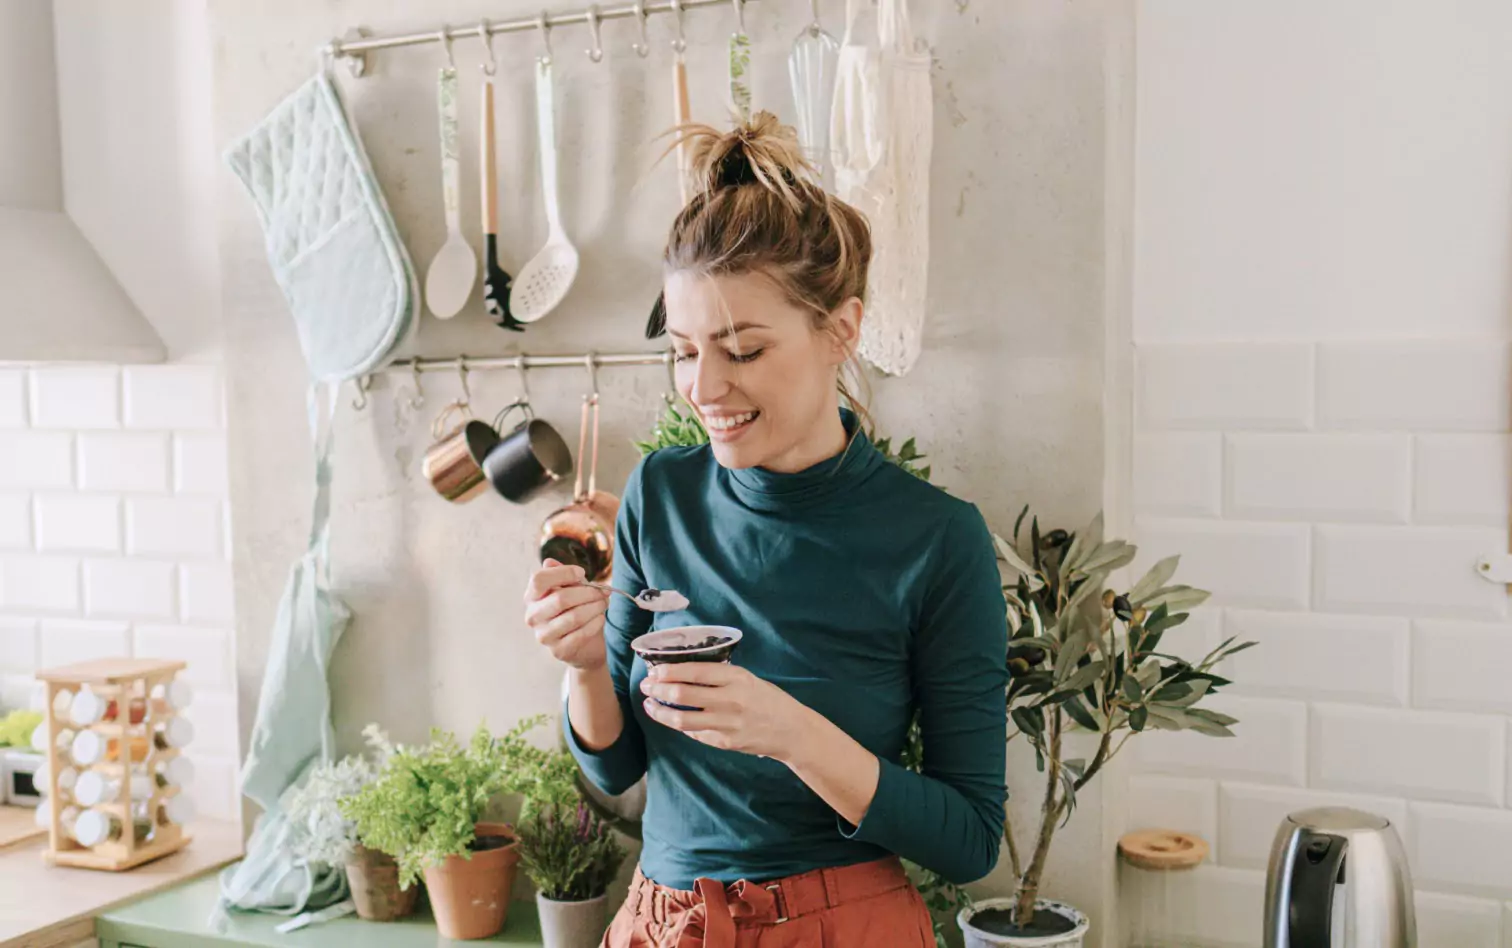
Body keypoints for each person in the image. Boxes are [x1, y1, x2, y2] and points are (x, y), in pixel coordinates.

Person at [522, 113, 1008, 948]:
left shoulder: (934, 540)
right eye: (682, 350)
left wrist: (792, 734)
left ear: (841, 330)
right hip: (661, 923)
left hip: (840, 927)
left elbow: (968, 838)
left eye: (741, 350)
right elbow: (617, 766)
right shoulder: (660, 495)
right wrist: (580, 668)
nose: (702, 386)